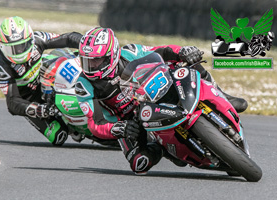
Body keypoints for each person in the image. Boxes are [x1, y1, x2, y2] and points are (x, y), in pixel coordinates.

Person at [75, 27, 247, 174]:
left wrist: (182, 52)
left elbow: (163, 50)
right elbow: (94, 122)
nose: (92, 67)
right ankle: (163, 148)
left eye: (97, 60)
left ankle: (222, 95)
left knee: (187, 61)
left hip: (153, 95)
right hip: (129, 122)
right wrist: (118, 128)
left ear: (112, 54)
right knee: (139, 163)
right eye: (87, 61)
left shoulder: (131, 52)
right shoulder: (83, 84)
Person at [0, 16, 83, 146]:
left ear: (30, 39)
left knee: (66, 60)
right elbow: (12, 102)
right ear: (2, 47)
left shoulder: (38, 39)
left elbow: (68, 38)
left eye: (22, 46)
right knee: (58, 136)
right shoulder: (1, 67)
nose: (19, 52)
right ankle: (72, 125)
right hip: (30, 99)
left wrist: (86, 43)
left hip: (47, 78)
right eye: (12, 49)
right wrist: (36, 109)